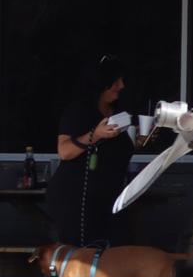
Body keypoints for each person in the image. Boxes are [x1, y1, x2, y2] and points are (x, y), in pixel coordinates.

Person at [47, 56, 136, 248]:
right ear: (101, 83)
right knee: (82, 252)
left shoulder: (118, 112)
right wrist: (95, 135)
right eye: (116, 81)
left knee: (113, 249)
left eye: (122, 80)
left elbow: (118, 151)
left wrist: (139, 140)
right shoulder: (78, 111)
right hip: (78, 196)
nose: (121, 86)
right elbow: (64, 151)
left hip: (111, 196)